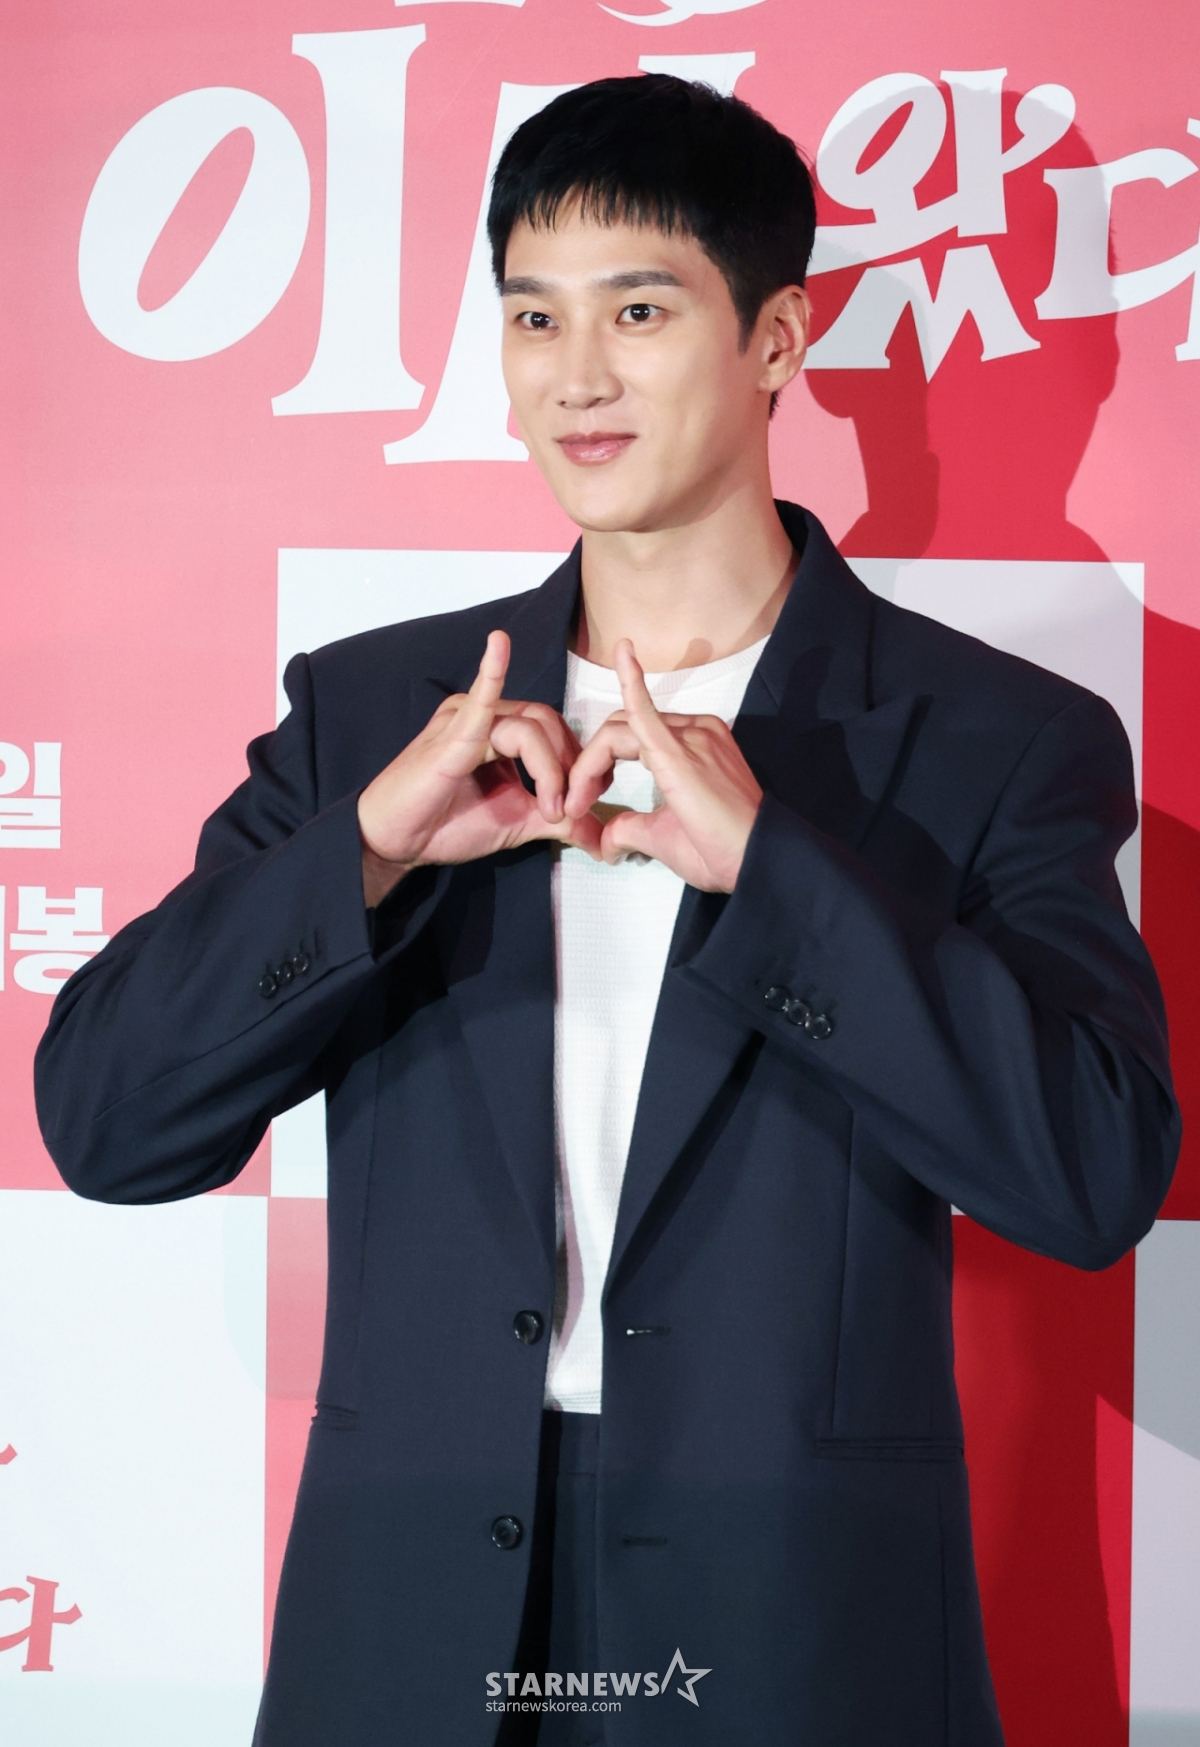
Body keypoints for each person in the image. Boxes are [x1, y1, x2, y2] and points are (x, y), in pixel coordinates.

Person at [35, 74, 1178, 1747]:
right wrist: (363, 853)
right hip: (412, 1613)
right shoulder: (377, 719)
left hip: (794, 1622)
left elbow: (1089, 1179)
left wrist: (779, 876)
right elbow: (109, 1122)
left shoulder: (993, 740)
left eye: (639, 311)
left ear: (777, 339)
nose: (576, 375)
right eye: (532, 318)